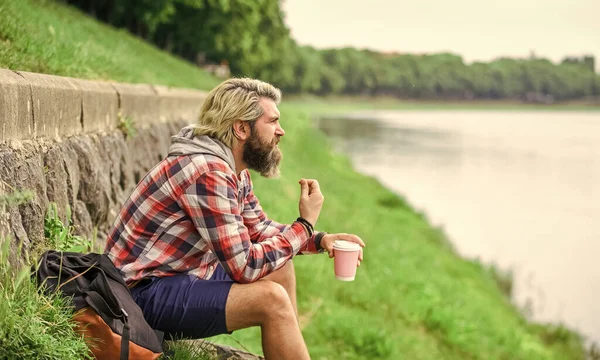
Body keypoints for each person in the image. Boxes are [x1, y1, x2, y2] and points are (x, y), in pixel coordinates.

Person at [105, 78, 364, 360]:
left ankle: (287, 345)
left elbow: (260, 229)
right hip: (138, 296)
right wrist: (304, 225)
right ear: (241, 128)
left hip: (177, 277)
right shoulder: (208, 172)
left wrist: (319, 239)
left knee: (281, 268)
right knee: (271, 300)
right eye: (273, 122)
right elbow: (245, 267)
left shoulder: (233, 170)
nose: (282, 131)